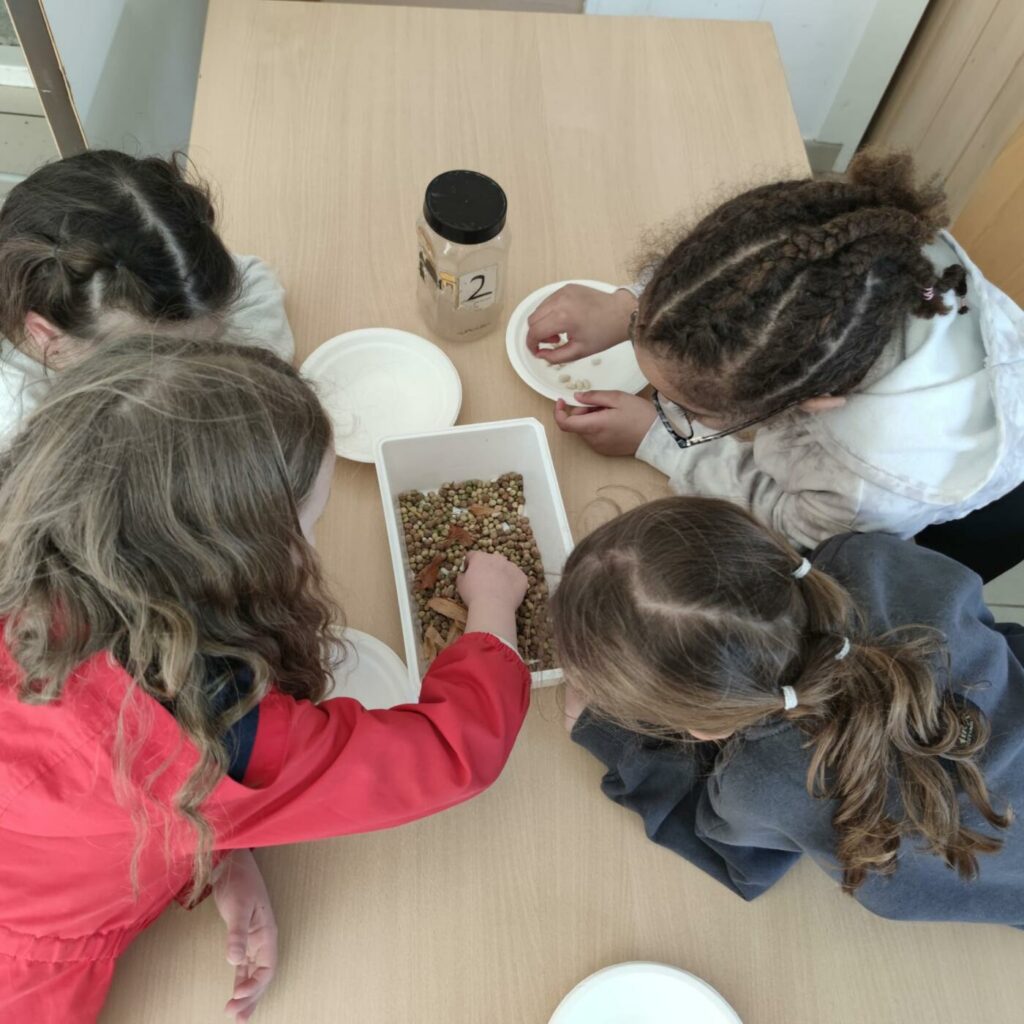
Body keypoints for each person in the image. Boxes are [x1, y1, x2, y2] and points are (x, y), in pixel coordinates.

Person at [0, 338, 531, 1022]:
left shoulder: (32, 558)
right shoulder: (223, 724)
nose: (315, 548)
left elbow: (89, 809)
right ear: (231, 564)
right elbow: (453, 750)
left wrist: (219, 845)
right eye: (309, 525)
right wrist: (492, 609)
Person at [551, 496, 1024, 926]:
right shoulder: (874, 558)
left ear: (705, 730)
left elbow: (745, 864)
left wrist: (605, 736)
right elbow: (987, 630)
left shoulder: (756, 785)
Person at [528, 151, 1024, 552]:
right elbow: (740, 272)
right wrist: (632, 310)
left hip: (962, 498)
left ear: (811, 403)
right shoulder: (853, 238)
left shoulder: (865, 489)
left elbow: (785, 523)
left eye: (690, 409)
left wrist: (655, 439)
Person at [0, 150, 294, 440]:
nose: (188, 369)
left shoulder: (142, 289)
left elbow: (252, 276)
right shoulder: (20, 432)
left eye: (205, 345)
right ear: (47, 336)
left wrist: (256, 373)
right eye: (149, 359)